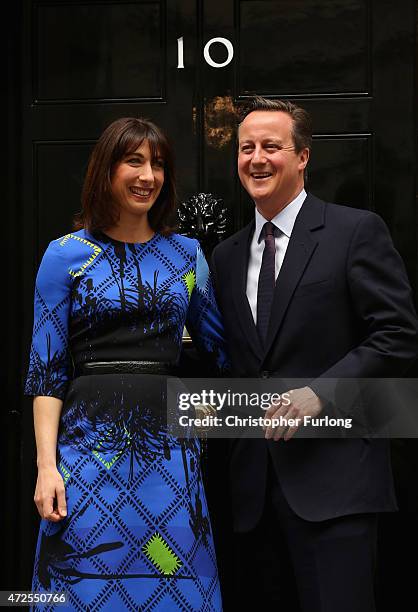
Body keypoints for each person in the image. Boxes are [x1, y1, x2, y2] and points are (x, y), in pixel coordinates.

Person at [210, 96, 418, 611]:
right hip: (251, 495)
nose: (256, 159)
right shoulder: (226, 256)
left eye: (272, 147)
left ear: (303, 157)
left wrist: (320, 394)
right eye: (246, 148)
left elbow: (397, 333)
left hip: (336, 486)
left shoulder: (354, 231)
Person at [25, 117, 228, 610]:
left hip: (169, 455)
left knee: (171, 574)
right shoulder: (65, 256)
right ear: (106, 170)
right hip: (87, 455)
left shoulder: (187, 255)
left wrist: (209, 408)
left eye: (157, 164)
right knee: (88, 580)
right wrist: (46, 467)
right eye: (133, 160)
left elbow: (218, 353)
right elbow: (46, 371)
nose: (148, 175)